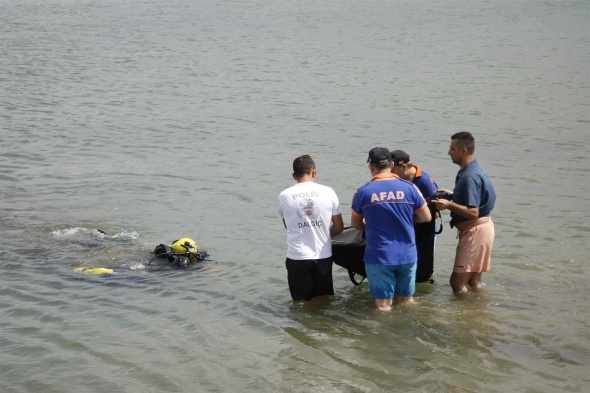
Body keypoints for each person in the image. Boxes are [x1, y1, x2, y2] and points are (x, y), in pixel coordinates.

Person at [351, 147, 431, 311]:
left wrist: (371, 223)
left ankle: (385, 336)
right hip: (407, 255)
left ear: (371, 166)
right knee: (406, 301)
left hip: (380, 256)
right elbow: (426, 217)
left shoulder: (363, 192)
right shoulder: (410, 188)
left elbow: (356, 224)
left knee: (383, 306)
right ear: (392, 164)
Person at [431, 132, 496, 294]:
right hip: (484, 228)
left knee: (457, 283)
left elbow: (473, 212)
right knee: (473, 281)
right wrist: (454, 195)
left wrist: (448, 204)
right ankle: (477, 313)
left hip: (475, 231)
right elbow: (477, 199)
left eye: (452, 149)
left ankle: (467, 316)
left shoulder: (469, 176)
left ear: (464, 151)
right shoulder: (474, 169)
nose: (449, 152)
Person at [278, 155, 344, 302]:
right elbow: (339, 227)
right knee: (324, 302)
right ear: (313, 172)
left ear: (294, 175)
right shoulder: (329, 192)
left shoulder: (284, 195)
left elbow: (288, 226)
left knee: (301, 303)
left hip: (297, 257)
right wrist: (325, 235)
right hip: (323, 256)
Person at [391, 149, 440, 283]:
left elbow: (434, 214)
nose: (391, 175)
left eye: (393, 171)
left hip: (423, 231)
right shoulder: (397, 181)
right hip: (407, 231)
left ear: (404, 167)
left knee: (422, 269)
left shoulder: (424, 181)